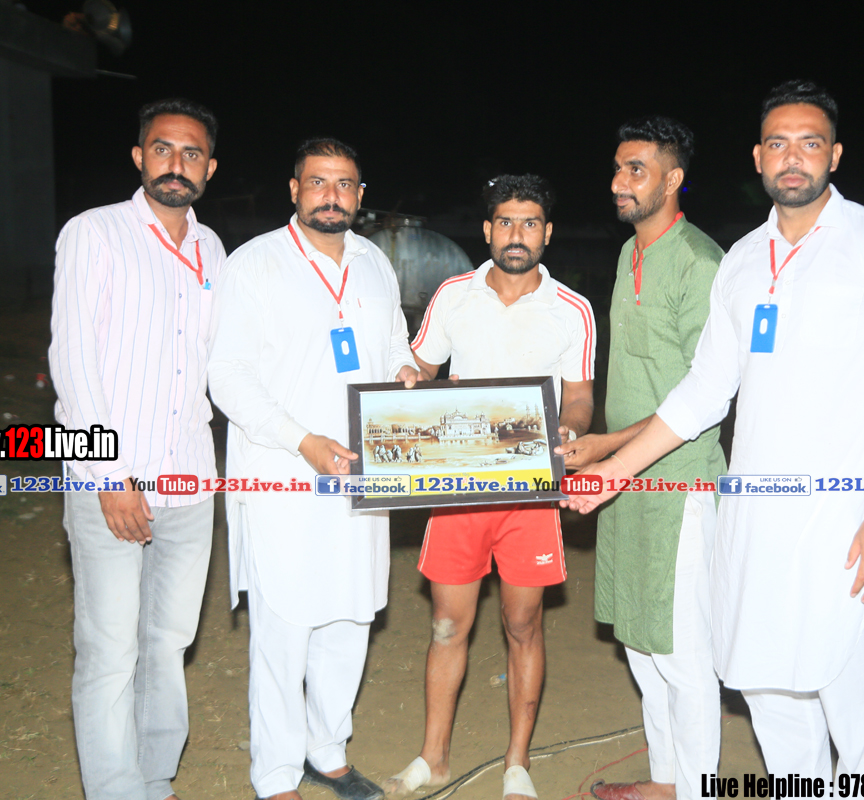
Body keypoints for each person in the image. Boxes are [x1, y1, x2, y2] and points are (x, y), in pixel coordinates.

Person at [565, 81, 864, 783]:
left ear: (834, 155)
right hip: (753, 519)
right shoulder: (743, 260)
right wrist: (613, 473)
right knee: (769, 691)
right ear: (758, 157)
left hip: (845, 518)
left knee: (854, 700)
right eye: (778, 144)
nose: (792, 158)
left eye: (809, 143)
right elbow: (703, 391)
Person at [208, 138, 420, 800]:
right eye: (318, 181)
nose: (332, 195)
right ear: (294, 189)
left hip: (362, 472)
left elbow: (394, 343)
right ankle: (276, 775)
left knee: (350, 617)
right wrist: (302, 441)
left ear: (361, 194)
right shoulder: (254, 263)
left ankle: (326, 751)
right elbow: (227, 375)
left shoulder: (374, 262)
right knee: (285, 627)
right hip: (285, 476)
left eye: (345, 183)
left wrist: (405, 372)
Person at [384, 175, 595, 800]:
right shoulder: (454, 295)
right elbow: (420, 368)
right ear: (487, 230)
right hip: (460, 484)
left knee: (523, 624)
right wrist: (410, 382)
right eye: (505, 222)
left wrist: (568, 428)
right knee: (448, 625)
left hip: (529, 491)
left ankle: (516, 763)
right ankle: (433, 759)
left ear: (547, 232)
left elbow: (580, 397)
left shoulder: (573, 308)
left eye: (530, 223)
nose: (516, 234)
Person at [49, 97, 224, 800]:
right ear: (138, 157)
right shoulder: (93, 234)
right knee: (109, 651)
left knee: (168, 642)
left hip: (190, 480)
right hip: (113, 483)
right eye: (162, 149)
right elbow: (73, 361)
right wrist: (108, 474)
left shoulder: (213, 251)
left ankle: (155, 778)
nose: (176, 164)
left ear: (209, 168)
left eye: (191, 153)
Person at [554, 117, 724, 800]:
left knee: (682, 652)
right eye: (618, 168)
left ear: (673, 178)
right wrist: (602, 445)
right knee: (640, 639)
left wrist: (608, 449)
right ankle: (664, 780)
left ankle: (698, 789)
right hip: (623, 479)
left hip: (679, 484)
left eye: (636, 170)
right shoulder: (630, 254)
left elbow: (703, 395)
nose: (619, 182)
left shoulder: (702, 264)